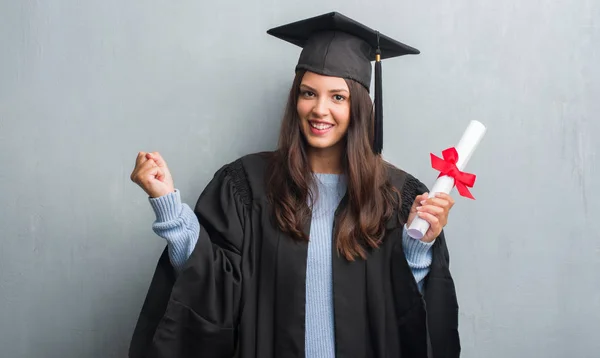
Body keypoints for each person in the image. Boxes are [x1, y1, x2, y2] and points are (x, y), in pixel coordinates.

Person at [128, 11, 460, 358]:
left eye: (337, 97)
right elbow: (213, 285)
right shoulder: (247, 185)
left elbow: (407, 314)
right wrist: (168, 205)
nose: (319, 109)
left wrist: (419, 244)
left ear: (360, 107)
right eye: (308, 93)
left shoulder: (396, 195)